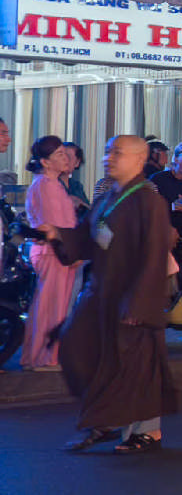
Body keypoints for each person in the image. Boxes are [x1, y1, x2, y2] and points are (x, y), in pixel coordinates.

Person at [31, 135, 180, 454]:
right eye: (108, 151)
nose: (108, 158)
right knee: (79, 348)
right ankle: (107, 419)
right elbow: (89, 237)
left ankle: (146, 432)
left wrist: (139, 304)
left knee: (136, 365)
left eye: (117, 153)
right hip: (102, 291)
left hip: (132, 294)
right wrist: (58, 234)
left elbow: (154, 254)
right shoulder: (108, 197)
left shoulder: (148, 200)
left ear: (138, 159)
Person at [21, 137, 82, 372]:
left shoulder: (52, 185)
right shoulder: (45, 186)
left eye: (65, 153)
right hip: (53, 252)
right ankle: (44, 357)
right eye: (59, 154)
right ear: (45, 162)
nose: (65, 158)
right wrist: (73, 251)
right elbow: (55, 227)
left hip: (56, 252)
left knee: (50, 305)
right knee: (51, 307)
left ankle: (38, 356)